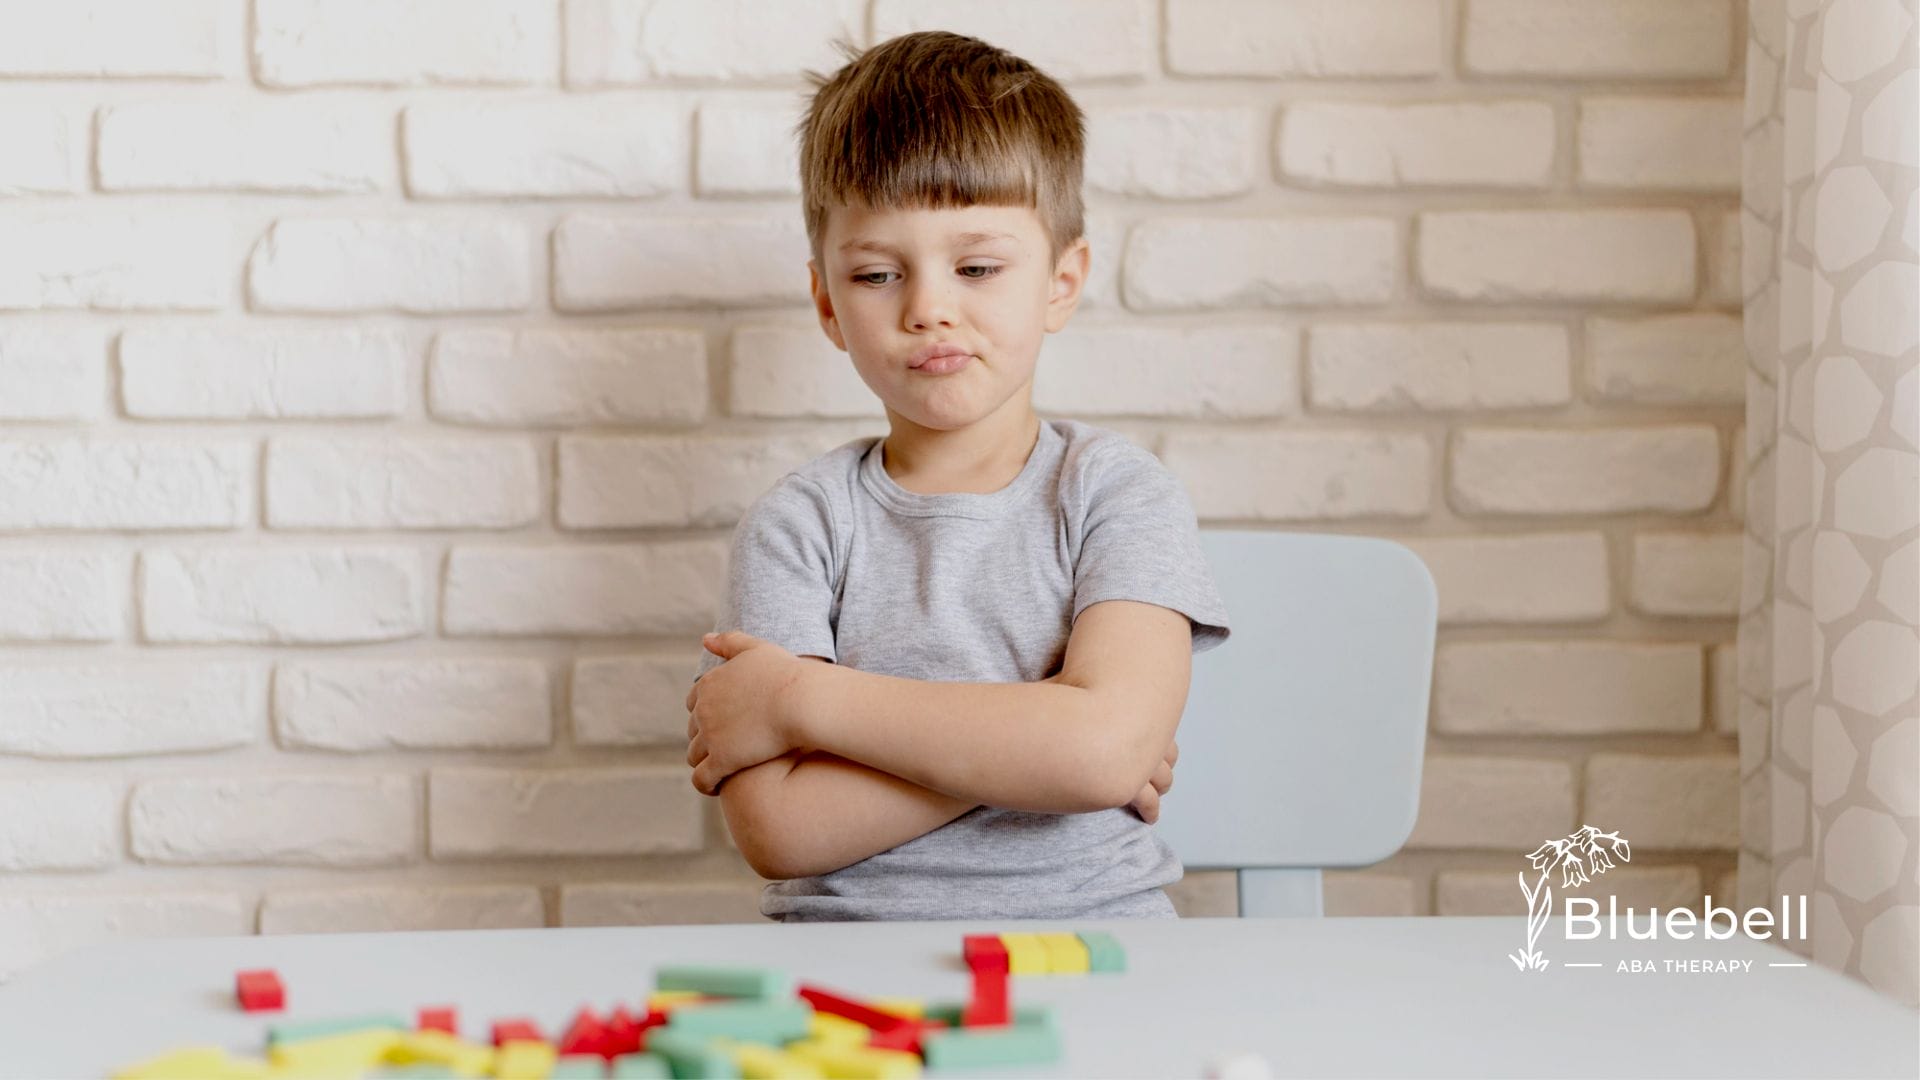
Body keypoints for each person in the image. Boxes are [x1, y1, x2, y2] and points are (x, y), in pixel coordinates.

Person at [683, 29, 1232, 922]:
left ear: (1062, 282)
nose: (928, 307)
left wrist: (802, 703)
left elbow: (1098, 756)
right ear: (827, 301)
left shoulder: (1117, 494)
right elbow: (780, 830)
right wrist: (1045, 733)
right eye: (875, 273)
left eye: (977, 267)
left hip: (1099, 952)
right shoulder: (796, 527)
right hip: (848, 976)